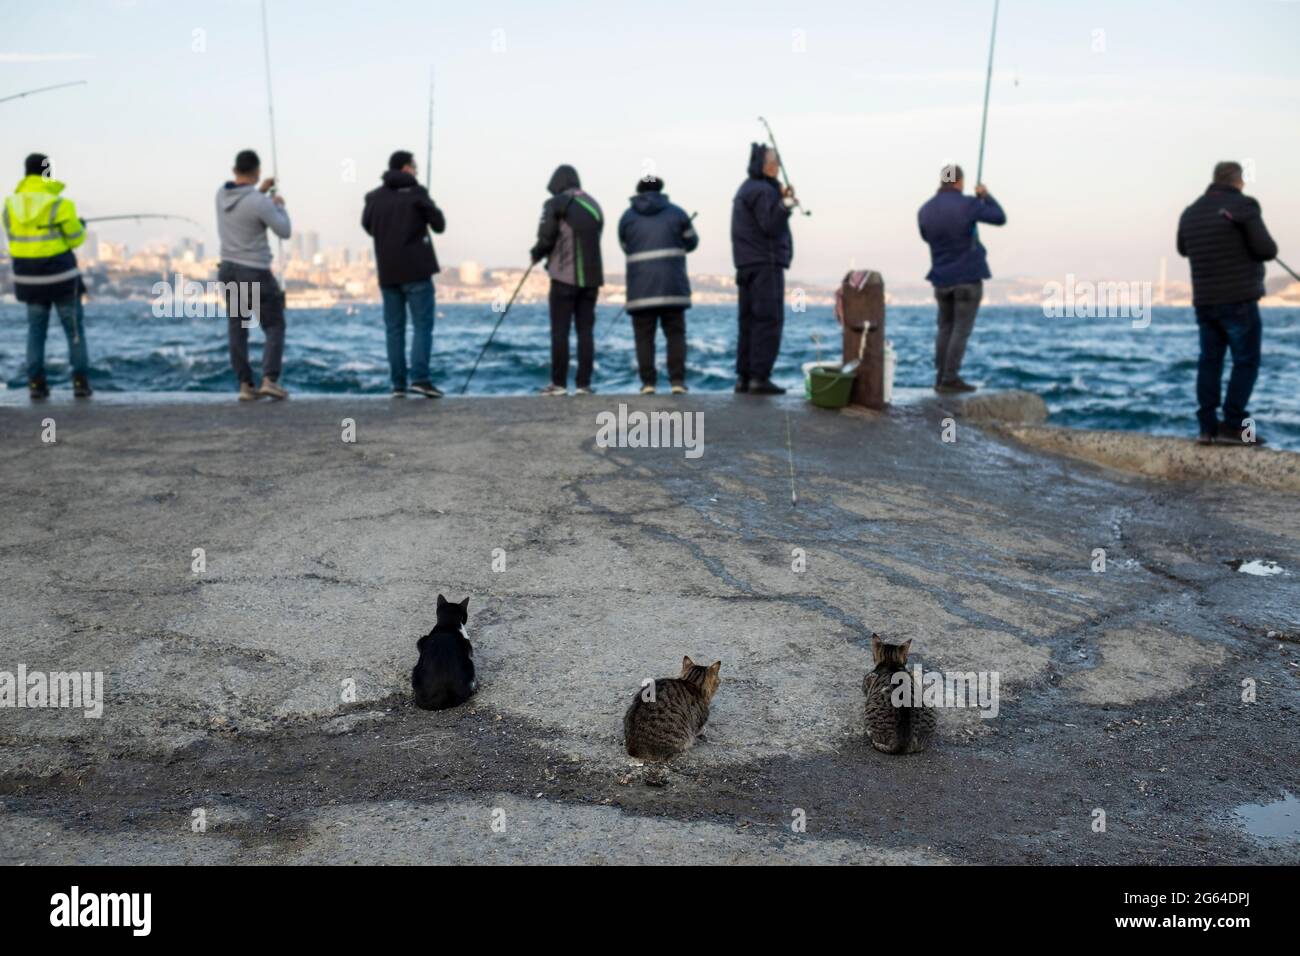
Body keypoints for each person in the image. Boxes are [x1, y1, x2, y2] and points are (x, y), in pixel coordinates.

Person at [1177, 161, 1278, 446]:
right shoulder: (1244, 205)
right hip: (1238, 300)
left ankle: (1207, 428)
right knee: (1245, 362)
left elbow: (1183, 248)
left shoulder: (1191, 211)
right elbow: (1267, 249)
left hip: (1205, 300)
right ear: (1239, 181)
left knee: (1210, 362)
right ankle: (1233, 425)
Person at [4, 153, 92, 400]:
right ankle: (80, 383)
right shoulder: (60, 204)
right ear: (47, 172)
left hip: (29, 281)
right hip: (62, 278)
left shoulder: (10, 206)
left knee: (35, 332)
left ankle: (36, 385)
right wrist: (81, 226)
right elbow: (76, 239)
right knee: (74, 331)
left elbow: (14, 239)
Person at [363, 150, 447, 398]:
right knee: (422, 326)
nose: (417, 171)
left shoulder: (374, 198)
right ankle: (420, 379)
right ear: (406, 168)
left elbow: (367, 226)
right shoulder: (417, 193)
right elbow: (439, 225)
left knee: (394, 329)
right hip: (417, 271)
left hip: (388, 272)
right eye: (415, 167)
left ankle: (397, 384)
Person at [917, 164, 1006, 393]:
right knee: (960, 330)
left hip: (941, 278)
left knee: (944, 328)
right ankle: (950, 378)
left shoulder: (925, 210)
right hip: (967, 277)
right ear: (959, 182)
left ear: (942, 181)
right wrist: (985, 197)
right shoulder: (969, 205)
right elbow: (999, 218)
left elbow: (927, 237)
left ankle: (940, 377)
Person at [215, 148, 291, 401]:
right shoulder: (261, 202)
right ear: (257, 172)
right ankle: (269, 380)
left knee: (238, 327)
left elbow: (244, 203)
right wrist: (278, 206)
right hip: (254, 270)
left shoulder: (220, 195)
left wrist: (260, 193)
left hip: (228, 270)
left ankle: (245, 385)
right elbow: (284, 230)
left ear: (234, 170)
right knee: (274, 324)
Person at [617, 176, 698, 394]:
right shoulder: (678, 213)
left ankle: (648, 383)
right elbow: (692, 241)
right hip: (673, 287)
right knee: (675, 335)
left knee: (644, 337)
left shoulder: (627, 217)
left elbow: (625, 246)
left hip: (641, 290)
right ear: (661, 190)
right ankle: (677, 382)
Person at [530, 165, 604, 396]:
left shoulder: (555, 204)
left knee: (560, 332)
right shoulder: (595, 205)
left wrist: (536, 254)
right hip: (592, 279)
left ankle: (559, 384)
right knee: (586, 332)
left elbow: (546, 237)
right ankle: (584, 385)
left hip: (563, 277)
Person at [731, 144, 793, 395]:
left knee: (747, 321)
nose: (778, 166)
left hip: (746, 263)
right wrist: (785, 205)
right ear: (766, 165)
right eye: (775, 162)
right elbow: (770, 224)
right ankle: (759, 377)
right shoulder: (765, 191)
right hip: (765, 264)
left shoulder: (746, 189)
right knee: (768, 319)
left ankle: (744, 377)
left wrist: (782, 199)